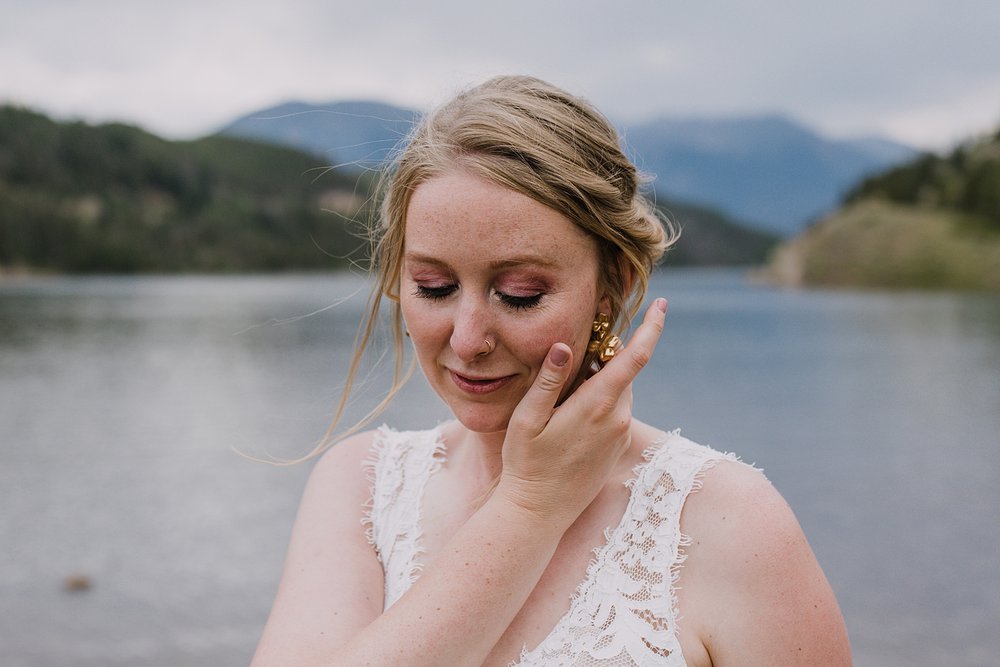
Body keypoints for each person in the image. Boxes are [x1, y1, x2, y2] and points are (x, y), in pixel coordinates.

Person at [252, 75, 851, 666]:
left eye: (519, 293)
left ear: (611, 287)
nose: (467, 338)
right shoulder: (361, 486)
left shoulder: (731, 523)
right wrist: (529, 507)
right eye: (433, 287)